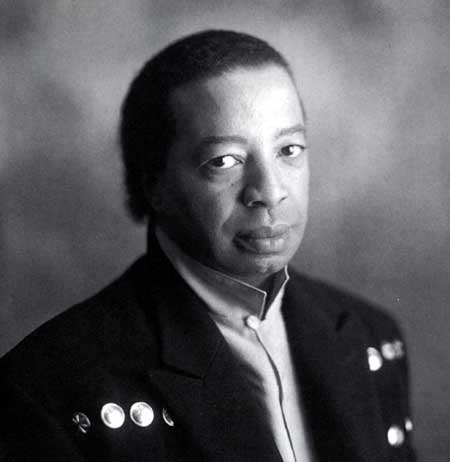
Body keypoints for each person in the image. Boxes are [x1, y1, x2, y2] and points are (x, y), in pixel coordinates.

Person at [0, 30, 415, 462]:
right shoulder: (44, 388)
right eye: (224, 161)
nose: (270, 192)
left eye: (289, 149)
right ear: (155, 184)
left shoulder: (370, 334)